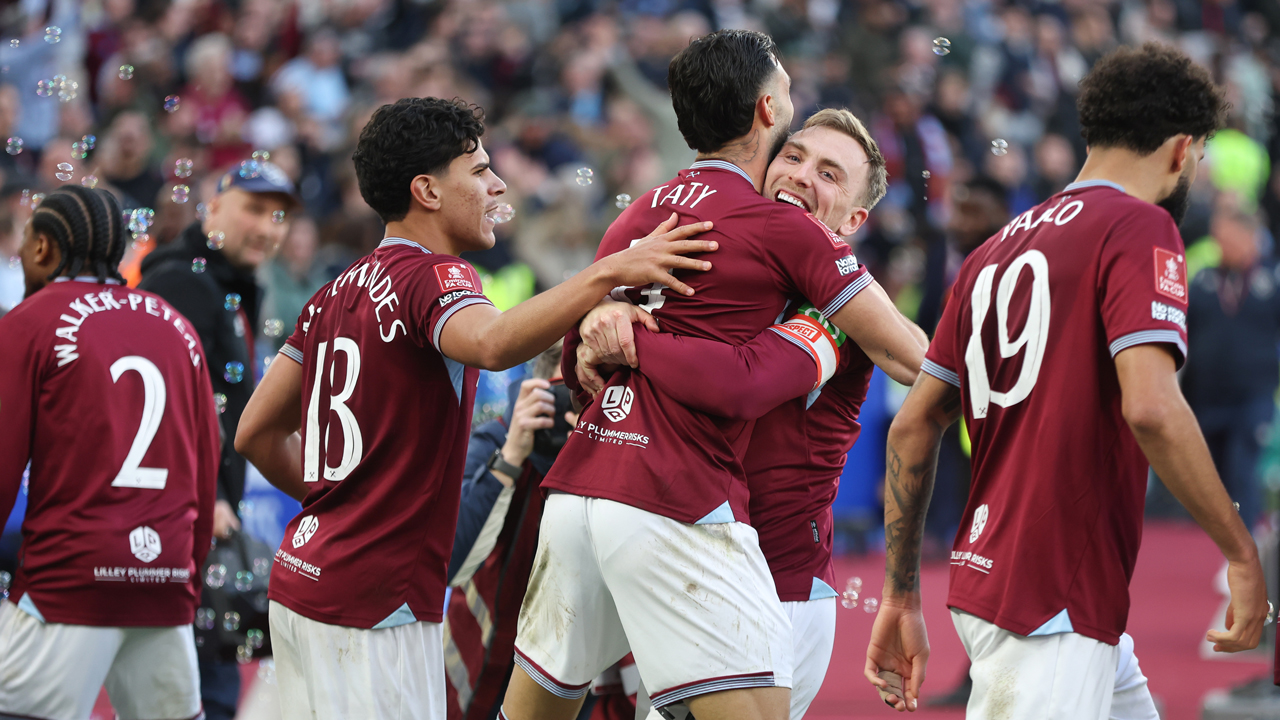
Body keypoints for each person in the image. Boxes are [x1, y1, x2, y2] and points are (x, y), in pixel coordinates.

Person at [233, 96, 717, 720]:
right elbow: (491, 343)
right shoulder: (435, 277)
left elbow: (253, 432)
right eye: (479, 169)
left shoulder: (331, 292)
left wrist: (340, 507)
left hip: (302, 577)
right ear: (428, 190)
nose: (498, 184)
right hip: (375, 603)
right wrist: (609, 273)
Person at [504, 31, 925, 720]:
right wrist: (590, 347)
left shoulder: (658, 226)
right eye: (795, 155)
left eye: (829, 174)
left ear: (853, 221)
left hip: (754, 571)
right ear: (766, 121)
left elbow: (747, 379)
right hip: (680, 525)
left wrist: (620, 341)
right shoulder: (766, 237)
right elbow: (598, 384)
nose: (800, 175)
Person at [865, 43, 1270, 718]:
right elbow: (1152, 408)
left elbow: (913, 425)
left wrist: (900, 595)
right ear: (1179, 149)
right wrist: (1241, 549)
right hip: (1051, 597)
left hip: (999, 580)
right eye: (1198, 154)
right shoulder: (1141, 226)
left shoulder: (993, 250)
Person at [0, 185, 219, 719]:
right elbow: (206, 469)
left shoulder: (28, 323)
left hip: (68, 583)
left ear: (44, 249)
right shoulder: (177, 327)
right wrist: (182, 573)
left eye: (24, 242)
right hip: (165, 580)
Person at [138, 160, 295, 720]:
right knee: (204, 690)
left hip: (194, 516)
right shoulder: (183, 281)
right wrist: (208, 491)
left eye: (278, 216)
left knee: (207, 682)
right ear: (213, 206)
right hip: (178, 517)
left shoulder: (229, 282)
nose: (268, 228)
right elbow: (163, 405)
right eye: (253, 209)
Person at [445, 342, 583, 720]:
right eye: (558, 397)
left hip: (573, 671)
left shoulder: (610, 457)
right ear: (534, 390)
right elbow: (450, 559)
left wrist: (590, 465)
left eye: (580, 398)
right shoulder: (497, 439)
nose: (566, 411)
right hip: (479, 665)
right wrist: (510, 457)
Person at [1183, 200, 1280, 530]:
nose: (1220, 244)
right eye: (1217, 237)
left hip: (1254, 396)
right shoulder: (1203, 281)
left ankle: (1246, 550)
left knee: (1242, 468)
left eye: (1227, 236)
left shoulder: (1271, 281)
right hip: (1208, 398)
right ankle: (1234, 549)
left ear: (1250, 236)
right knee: (1220, 479)